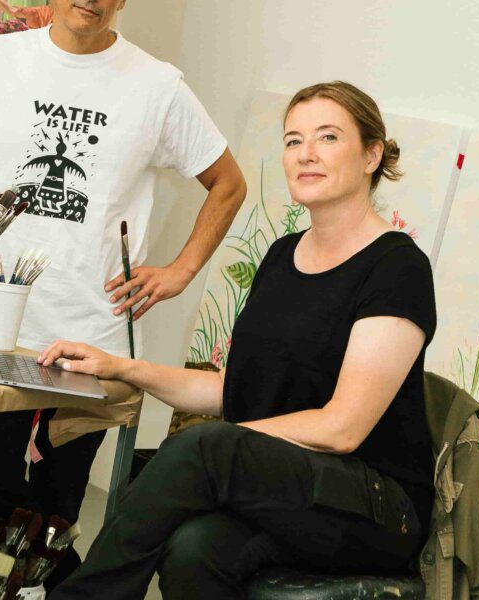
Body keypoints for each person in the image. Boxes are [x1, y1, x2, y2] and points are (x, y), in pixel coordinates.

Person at [0, 0, 246, 588]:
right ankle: (93, 590)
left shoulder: (158, 87)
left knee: (58, 511)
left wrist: (181, 270)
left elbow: (228, 183)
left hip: (93, 339)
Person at [43, 81, 436, 600]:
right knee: (194, 549)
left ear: (371, 155)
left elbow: (342, 429)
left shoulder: (397, 268)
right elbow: (234, 389)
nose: (306, 154)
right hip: (289, 488)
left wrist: (223, 451)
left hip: (376, 507)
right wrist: (120, 367)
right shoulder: (282, 255)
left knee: (202, 446)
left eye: (327, 137)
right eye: (293, 140)